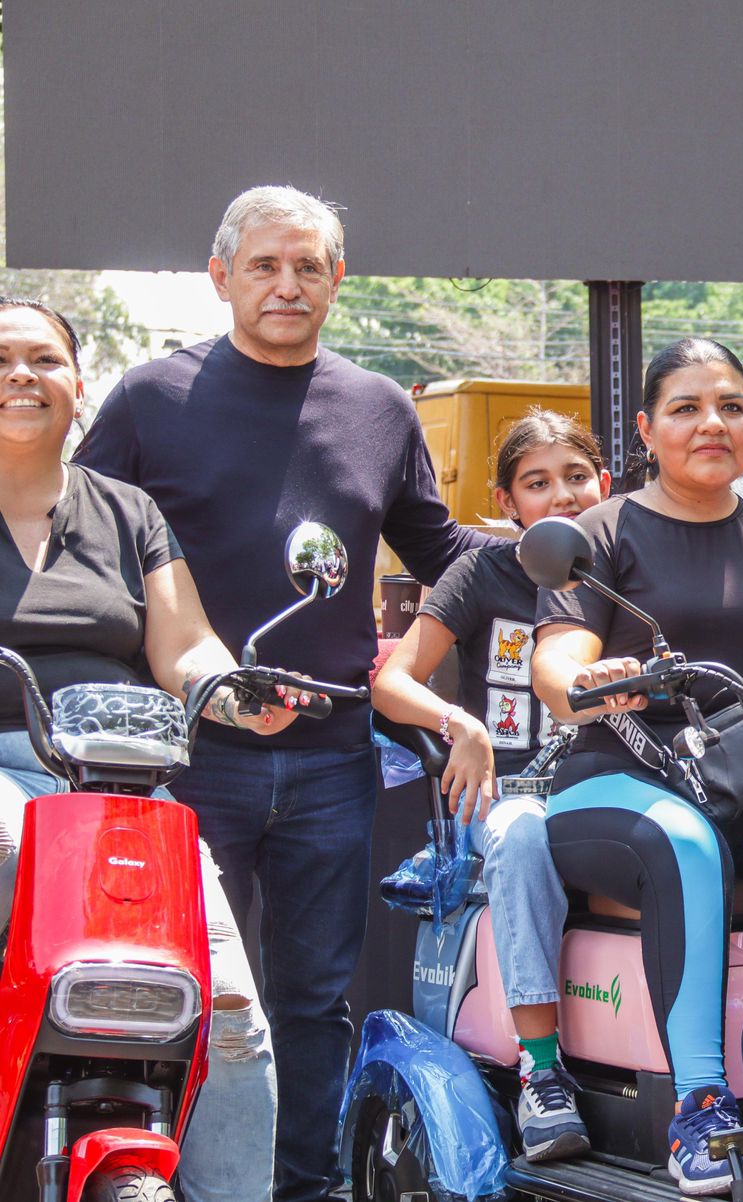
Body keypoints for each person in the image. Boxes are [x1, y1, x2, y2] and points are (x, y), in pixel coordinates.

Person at [73, 186, 491, 1202]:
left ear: (338, 280)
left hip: (332, 761)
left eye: (309, 266)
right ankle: (162, 1181)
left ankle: (305, 1188)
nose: (287, 285)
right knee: (173, 993)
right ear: (221, 276)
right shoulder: (148, 399)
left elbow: (445, 551)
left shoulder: (380, 408)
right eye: (264, 265)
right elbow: (81, 543)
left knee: (311, 1002)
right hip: (185, 757)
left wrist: (583, 552)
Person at [0, 297, 315, 1202]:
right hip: (6, 780)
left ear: (78, 385)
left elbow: (185, 646)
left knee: (225, 1006)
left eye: (44, 359)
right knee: (14, 850)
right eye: (2, 359)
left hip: (118, 792)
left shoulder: (125, 510)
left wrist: (236, 693)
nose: (22, 375)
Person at [530, 338, 743, 1196]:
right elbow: (555, 666)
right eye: (686, 408)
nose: (713, 423)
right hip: (615, 786)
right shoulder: (602, 533)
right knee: (682, 841)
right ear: (645, 429)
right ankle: (701, 1106)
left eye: (731, 406)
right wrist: (589, 680)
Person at [371, 408, 610, 1161]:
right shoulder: (481, 572)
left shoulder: (625, 564)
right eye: (537, 483)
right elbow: (391, 684)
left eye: (576, 477)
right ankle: (542, 1073)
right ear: (507, 502)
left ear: (604, 483)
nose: (561, 495)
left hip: (608, 790)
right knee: (521, 829)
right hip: (508, 800)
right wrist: (460, 725)